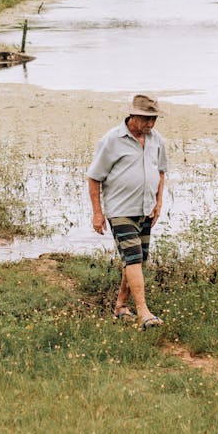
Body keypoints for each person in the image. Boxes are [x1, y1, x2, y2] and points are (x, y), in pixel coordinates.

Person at [87, 93, 168, 329]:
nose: (150, 124)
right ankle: (143, 313)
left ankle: (121, 306)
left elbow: (161, 172)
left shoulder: (156, 140)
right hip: (120, 210)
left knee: (136, 259)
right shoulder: (112, 140)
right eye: (146, 119)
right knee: (133, 258)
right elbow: (94, 177)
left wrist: (158, 203)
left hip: (145, 208)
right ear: (132, 114)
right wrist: (97, 213)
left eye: (154, 119)